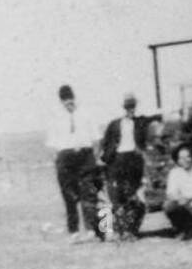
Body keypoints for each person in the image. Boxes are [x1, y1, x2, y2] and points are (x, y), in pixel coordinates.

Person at [45, 84, 104, 243]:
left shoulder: (86, 113)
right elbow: (51, 144)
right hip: (65, 158)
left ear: (74, 98)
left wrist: (95, 157)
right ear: (61, 101)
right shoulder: (55, 117)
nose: (68, 102)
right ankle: (74, 232)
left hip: (85, 156)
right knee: (69, 196)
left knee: (88, 194)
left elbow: (96, 138)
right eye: (64, 99)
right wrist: (57, 161)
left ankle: (91, 230)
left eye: (70, 98)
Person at [100, 93, 154, 240]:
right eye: (128, 106)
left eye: (132, 106)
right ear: (123, 108)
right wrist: (105, 160)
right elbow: (105, 143)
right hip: (117, 160)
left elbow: (155, 119)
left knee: (133, 193)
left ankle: (131, 230)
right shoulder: (114, 124)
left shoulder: (140, 122)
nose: (130, 109)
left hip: (133, 160)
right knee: (114, 195)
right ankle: (113, 231)